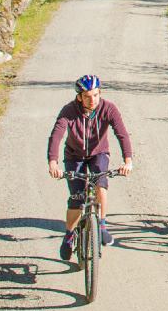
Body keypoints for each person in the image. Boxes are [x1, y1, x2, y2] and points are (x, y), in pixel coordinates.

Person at [47, 73, 134, 262]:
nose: (92, 100)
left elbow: (122, 134)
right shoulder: (69, 111)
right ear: (79, 97)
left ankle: (101, 225)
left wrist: (128, 160)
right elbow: (57, 134)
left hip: (98, 153)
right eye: (87, 96)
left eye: (95, 95)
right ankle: (69, 235)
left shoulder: (108, 108)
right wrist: (53, 162)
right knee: (77, 199)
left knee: (100, 184)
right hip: (74, 156)